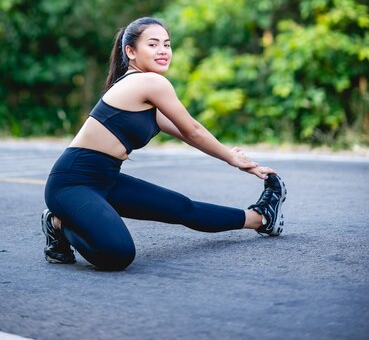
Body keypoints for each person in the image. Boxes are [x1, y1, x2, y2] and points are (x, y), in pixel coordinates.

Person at [42, 17, 287, 271]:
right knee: (118, 254)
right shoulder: (149, 82)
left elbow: (188, 134)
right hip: (72, 183)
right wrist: (231, 159)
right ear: (131, 52)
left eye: (167, 45)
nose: (163, 51)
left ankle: (261, 218)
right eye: (153, 44)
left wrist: (237, 159)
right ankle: (58, 222)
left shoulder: (145, 91)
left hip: (106, 179)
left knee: (182, 208)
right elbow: (193, 131)